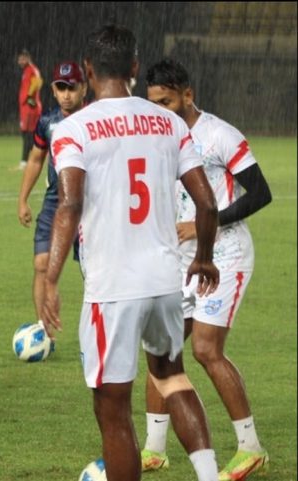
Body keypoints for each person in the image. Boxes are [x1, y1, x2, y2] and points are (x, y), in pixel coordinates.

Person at [41, 25, 221, 481]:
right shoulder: (170, 122)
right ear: (135, 70)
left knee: (112, 408)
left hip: (113, 288)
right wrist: (203, 256)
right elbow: (206, 202)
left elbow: (70, 203)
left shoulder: (73, 128)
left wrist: (51, 276)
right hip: (164, 280)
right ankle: (208, 475)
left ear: (87, 71)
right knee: (171, 376)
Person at [141, 58, 272, 480]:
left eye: (166, 102)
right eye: (153, 103)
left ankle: (250, 447)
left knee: (205, 350)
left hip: (224, 255)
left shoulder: (218, 135)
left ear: (188, 95)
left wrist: (204, 224)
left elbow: (261, 193)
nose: (159, 111)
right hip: (180, 259)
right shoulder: (161, 137)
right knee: (162, 348)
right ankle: (154, 450)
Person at [17, 60, 87, 324]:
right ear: (54, 90)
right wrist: (22, 199)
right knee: (41, 265)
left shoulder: (95, 119)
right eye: (61, 87)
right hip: (54, 203)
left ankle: (97, 327)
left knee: (92, 272)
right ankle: (43, 331)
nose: (66, 94)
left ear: (83, 88)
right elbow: (36, 159)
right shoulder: (47, 121)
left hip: (89, 204)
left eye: (72, 87)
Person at [15, 49, 43, 171]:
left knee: (29, 135)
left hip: (30, 107)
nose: (19, 61)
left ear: (27, 58)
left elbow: (38, 82)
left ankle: (25, 162)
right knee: (26, 134)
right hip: (25, 107)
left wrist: (30, 97)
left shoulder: (32, 70)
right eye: (19, 59)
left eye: (22, 58)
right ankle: (32, 159)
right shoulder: (26, 71)